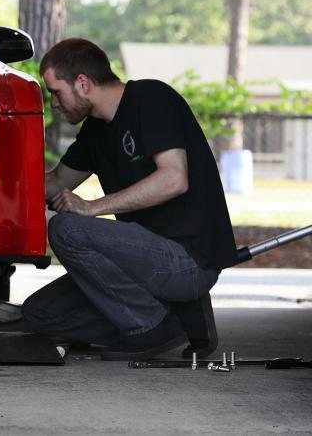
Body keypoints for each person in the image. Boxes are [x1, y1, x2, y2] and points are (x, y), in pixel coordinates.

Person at [21, 38, 238, 360]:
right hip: (139, 263)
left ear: (82, 83)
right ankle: (172, 317)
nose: (53, 103)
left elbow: (174, 179)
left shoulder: (150, 98)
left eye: (55, 92)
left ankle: (150, 325)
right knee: (39, 313)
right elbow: (54, 184)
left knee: (66, 229)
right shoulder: (95, 130)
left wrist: (91, 207)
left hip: (187, 261)